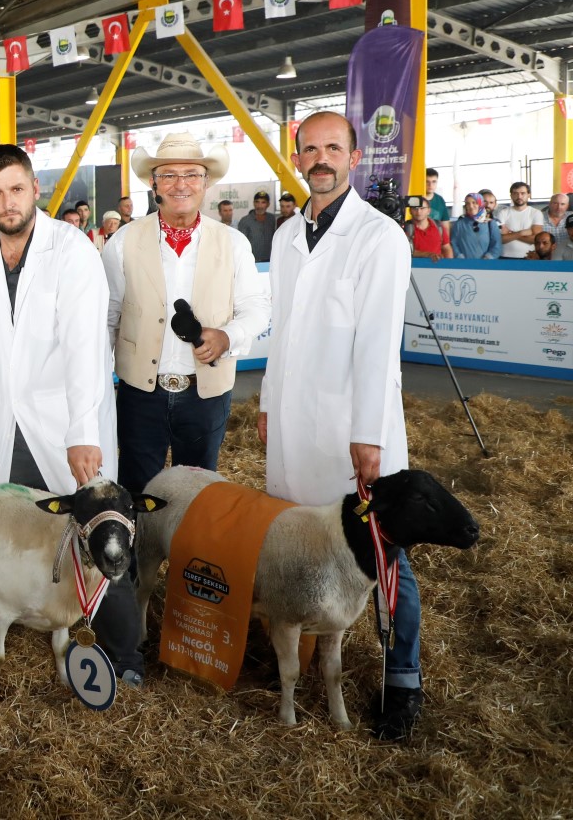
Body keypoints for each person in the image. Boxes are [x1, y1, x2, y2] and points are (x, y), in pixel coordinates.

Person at [0, 145, 138, 684]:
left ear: (34, 190)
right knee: (23, 532)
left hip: (66, 423)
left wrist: (82, 433)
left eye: (16, 189)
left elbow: (85, 353)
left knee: (98, 533)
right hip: (5, 424)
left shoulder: (70, 251)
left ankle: (124, 655)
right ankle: (44, 627)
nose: (7, 201)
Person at [259, 111, 421, 741]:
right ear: (297, 158)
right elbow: (281, 334)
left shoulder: (380, 237)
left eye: (333, 147)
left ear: (354, 158)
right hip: (296, 421)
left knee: (382, 557)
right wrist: (269, 402)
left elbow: (380, 344)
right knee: (300, 541)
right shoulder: (285, 238)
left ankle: (401, 681)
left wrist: (371, 432)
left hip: (357, 429)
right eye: (309, 149)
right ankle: (299, 659)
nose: (320, 158)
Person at [103, 133, 270, 497]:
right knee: (134, 488)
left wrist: (227, 336)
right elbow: (107, 316)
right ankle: (136, 554)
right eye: (169, 175)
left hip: (205, 395)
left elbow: (257, 308)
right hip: (139, 393)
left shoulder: (233, 243)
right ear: (153, 184)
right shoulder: (122, 242)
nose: (181, 184)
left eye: (192, 174)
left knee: (196, 496)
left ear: (206, 182)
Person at [496, 182, 543, 260]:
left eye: (522, 193)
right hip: (504, 257)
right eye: (515, 193)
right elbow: (500, 239)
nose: (519, 196)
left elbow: (536, 240)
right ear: (511, 196)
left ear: (528, 195)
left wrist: (510, 233)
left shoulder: (536, 213)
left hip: (529, 257)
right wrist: (521, 233)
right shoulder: (503, 213)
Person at [449, 195, 501, 260]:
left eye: (474, 203)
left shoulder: (491, 223)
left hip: (486, 267)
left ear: (481, 204)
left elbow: (496, 246)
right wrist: (461, 259)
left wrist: (486, 261)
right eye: (467, 203)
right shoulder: (459, 224)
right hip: (463, 267)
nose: (471, 206)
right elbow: (454, 244)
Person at [236, 190, 278, 263]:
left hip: (270, 260)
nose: (260, 205)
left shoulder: (272, 219)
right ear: (253, 203)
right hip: (252, 261)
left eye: (263, 202)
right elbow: (241, 242)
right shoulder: (245, 220)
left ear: (268, 204)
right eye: (257, 202)